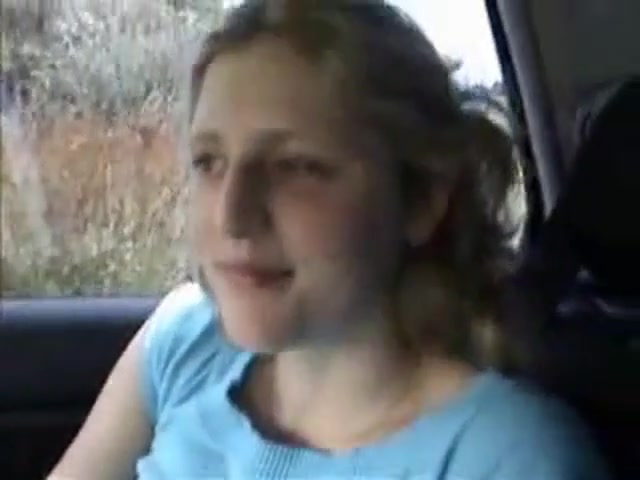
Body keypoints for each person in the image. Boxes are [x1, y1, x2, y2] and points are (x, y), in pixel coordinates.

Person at [48, 1, 611, 479]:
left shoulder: (507, 456)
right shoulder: (185, 342)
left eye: (296, 167)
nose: (232, 216)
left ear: (420, 200)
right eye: (209, 161)